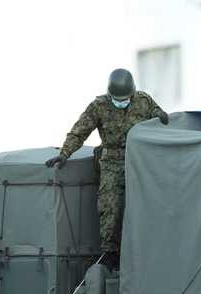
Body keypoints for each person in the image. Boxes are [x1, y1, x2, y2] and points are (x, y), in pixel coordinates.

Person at [45, 68, 169, 267]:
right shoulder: (99, 106)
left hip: (137, 158)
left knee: (145, 202)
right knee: (109, 206)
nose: (121, 102)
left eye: (125, 98)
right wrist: (64, 153)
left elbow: (159, 117)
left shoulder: (143, 101)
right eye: (117, 99)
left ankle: (147, 249)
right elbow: (79, 132)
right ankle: (110, 254)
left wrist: (162, 117)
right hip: (111, 160)